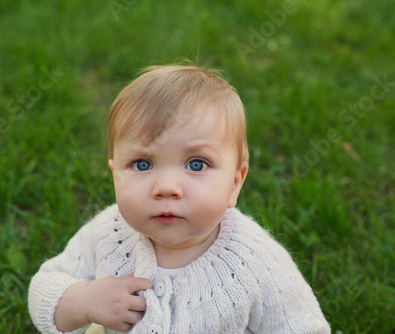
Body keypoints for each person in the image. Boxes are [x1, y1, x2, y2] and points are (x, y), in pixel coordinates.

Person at [28, 64, 331, 334]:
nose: (167, 187)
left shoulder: (255, 261)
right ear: (115, 173)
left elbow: (305, 327)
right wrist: (83, 300)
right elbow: (44, 291)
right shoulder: (107, 233)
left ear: (234, 184)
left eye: (196, 164)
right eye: (143, 164)